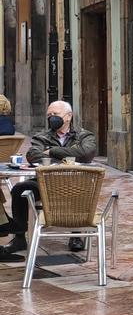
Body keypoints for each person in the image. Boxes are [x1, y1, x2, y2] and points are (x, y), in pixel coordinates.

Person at [0, 101, 99, 256]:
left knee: (80, 192)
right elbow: (33, 155)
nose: (52, 118)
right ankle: (20, 236)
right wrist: (70, 152)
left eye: (56, 114)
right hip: (44, 183)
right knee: (20, 189)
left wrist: (51, 151)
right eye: (49, 115)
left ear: (68, 117)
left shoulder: (84, 135)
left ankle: (76, 235)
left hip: (76, 183)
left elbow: (86, 152)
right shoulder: (41, 136)